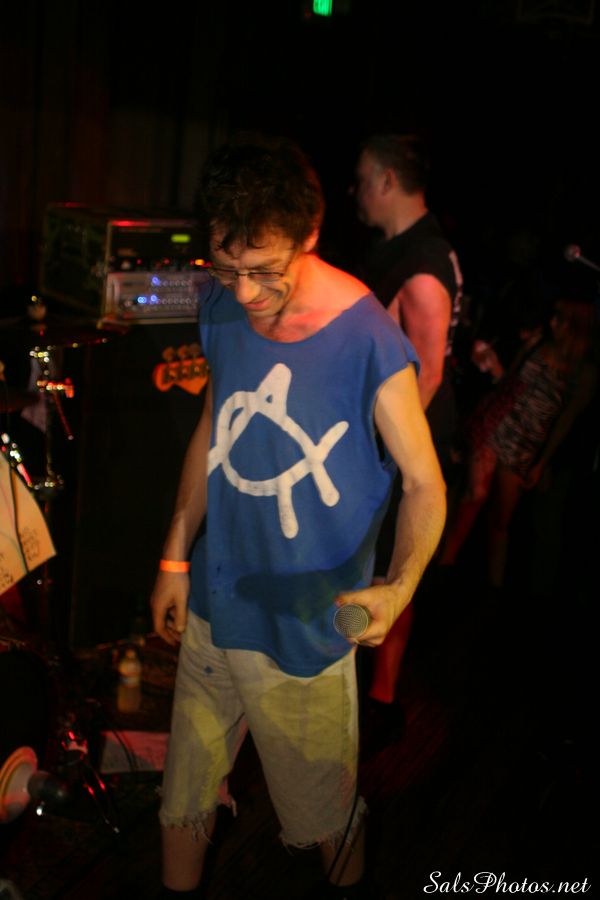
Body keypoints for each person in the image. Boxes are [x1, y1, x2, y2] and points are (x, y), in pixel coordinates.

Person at [150, 135, 446, 900]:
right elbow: (214, 428)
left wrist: (398, 588)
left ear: (309, 234)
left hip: (306, 626)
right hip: (215, 605)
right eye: (228, 268)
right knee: (182, 800)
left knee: (325, 822)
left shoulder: (368, 336)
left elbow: (425, 484)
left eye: (265, 272)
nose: (245, 293)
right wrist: (175, 556)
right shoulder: (220, 303)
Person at [350, 134, 462, 741]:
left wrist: (382, 454)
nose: (357, 191)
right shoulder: (402, 249)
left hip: (404, 442)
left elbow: (429, 374)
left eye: (364, 179)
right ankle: (370, 692)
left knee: (392, 568)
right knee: (378, 565)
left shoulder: (422, 263)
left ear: (388, 181)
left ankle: (382, 701)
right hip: (390, 438)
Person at [437, 296, 598, 588]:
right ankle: (441, 568)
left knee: (500, 521)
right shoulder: (538, 342)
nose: (553, 323)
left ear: (576, 327)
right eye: (555, 316)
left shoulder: (583, 373)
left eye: (561, 320)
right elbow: (508, 381)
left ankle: (493, 589)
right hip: (497, 424)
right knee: (474, 496)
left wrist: (542, 463)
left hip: (526, 445)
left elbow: (565, 423)